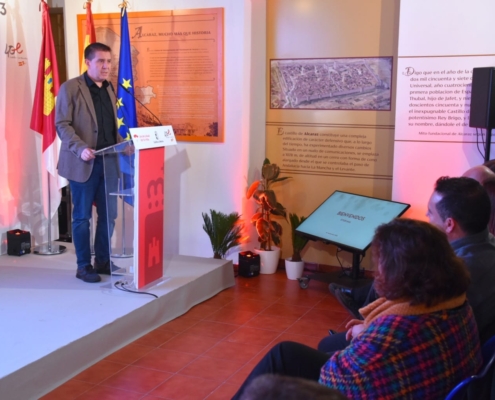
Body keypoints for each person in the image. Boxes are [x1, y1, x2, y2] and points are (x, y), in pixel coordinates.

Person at [232, 219, 482, 400]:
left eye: (380, 264)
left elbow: (334, 379)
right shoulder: (453, 299)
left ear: (400, 272)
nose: (377, 272)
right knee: (289, 352)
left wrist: (368, 335)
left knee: (280, 363)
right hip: (435, 383)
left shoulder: (394, 332)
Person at [321, 176, 495, 352]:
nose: (427, 217)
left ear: (449, 224)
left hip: (427, 352)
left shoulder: (455, 271)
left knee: (323, 346)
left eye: (430, 213)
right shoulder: (486, 248)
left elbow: (415, 325)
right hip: (459, 352)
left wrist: (369, 330)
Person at [56, 42, 119, 283]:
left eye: (109, 61)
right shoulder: (71, 88)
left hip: (109, 162)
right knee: (82, 217)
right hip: (83, 162)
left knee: (109, 215)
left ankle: (102, 261)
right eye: (101, 61)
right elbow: (62, 124)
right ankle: (83, 266)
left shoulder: (110, 89)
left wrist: (124, 143)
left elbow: (107, 128)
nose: (106, 66)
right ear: (88, 62)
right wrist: (80, 148)